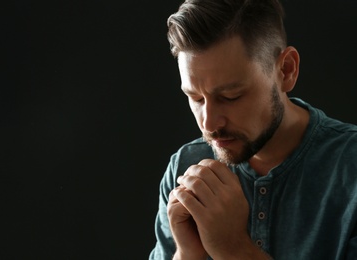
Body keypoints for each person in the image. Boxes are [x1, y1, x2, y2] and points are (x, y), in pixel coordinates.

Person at [148, 0, 357, 259]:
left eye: (231, 96)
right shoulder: (184, 167)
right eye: (196, 99)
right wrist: (187, 253)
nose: (209, 124)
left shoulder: (351, 169)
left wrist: (233, 247)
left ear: (286, 70)